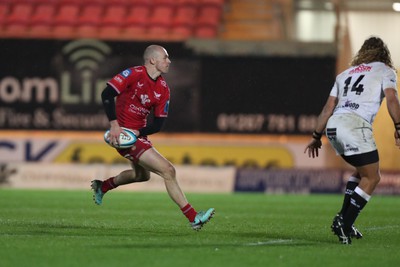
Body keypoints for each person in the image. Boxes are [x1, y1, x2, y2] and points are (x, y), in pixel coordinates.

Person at [91, 44, 215, 230]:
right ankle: (193, 217)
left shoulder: (164, 89)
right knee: (168, 171)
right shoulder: (133, 74)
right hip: (122, 136)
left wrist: (138, 133)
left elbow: (158, 124)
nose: (169, 61)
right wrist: (115, 125)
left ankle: (103, 186)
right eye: (165, 58)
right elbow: (106, 94)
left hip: (137, 136)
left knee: (141, 176)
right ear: (152, 60)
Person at [304, 36, 400, 244]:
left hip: (334, 126)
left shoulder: (344, 74)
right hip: (355, 125)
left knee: (362, 172)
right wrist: (398, 126)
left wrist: (315, 136)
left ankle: (342, 218)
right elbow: (392, 98)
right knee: (373, 178)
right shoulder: (385, 70)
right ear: (383, 54)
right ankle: (344, 223)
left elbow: (328, 108)